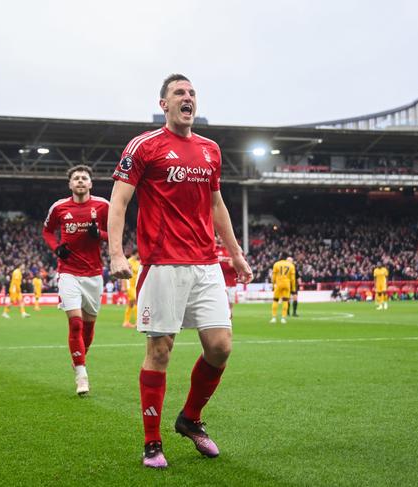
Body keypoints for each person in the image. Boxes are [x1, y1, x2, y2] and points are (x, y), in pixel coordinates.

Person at [108, 74, 253, 469]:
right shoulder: (144, 146)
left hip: (206, 263)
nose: (187, 98)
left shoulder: (210, 150)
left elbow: (217, 205)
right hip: (162, 263)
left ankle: (189, 419)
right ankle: (152, 444)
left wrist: (235, 254)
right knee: (160, 351)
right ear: (163, 103)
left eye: (191, 93)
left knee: (220, 347)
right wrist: (117, 253)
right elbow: (118, 202)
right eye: (179, 93)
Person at [43, 164, 109, 396]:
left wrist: (99, 235)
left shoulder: (103, 206)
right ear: (70, 184)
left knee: (89, 327)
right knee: (76, 323)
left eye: (84, 178)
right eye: (76, 178)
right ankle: (82, 376)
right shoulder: (59, 207)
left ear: (91, 183)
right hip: (68, 272)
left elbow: (116, 232)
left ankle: (80, 357)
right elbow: (47, 231)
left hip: (93, 274)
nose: (80, 181)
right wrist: (56, 248)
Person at [215, 236, 238, 318]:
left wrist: (233, 265)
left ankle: (230, 313)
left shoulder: (232, 252)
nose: (220, 240)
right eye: (219, 238)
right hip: (219, 281)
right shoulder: (215, 250)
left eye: (222, 238)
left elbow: (236, 267)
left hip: (231, 281)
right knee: (220, 301)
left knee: (231, 301)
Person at [270, 252, 295, 324]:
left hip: (279, 284)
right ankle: (283, 318)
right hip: (287, 284)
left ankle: (274, 317)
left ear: (280, 256)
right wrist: (293, 289)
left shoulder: (276, 264)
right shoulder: (291, 265)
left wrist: (273, 284)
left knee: (275, 300)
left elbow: (273, 276)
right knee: (285, 301)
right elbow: (293, 279)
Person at [121, 247, 141, 328]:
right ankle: (137, 321)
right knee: (136, 301)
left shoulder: (138, 263)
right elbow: (123, 274)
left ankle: (126, 322)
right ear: (136, 253)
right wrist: (123, 286)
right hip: (129, 285)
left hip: (135, 286)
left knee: (131, 304)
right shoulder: (128, 262)